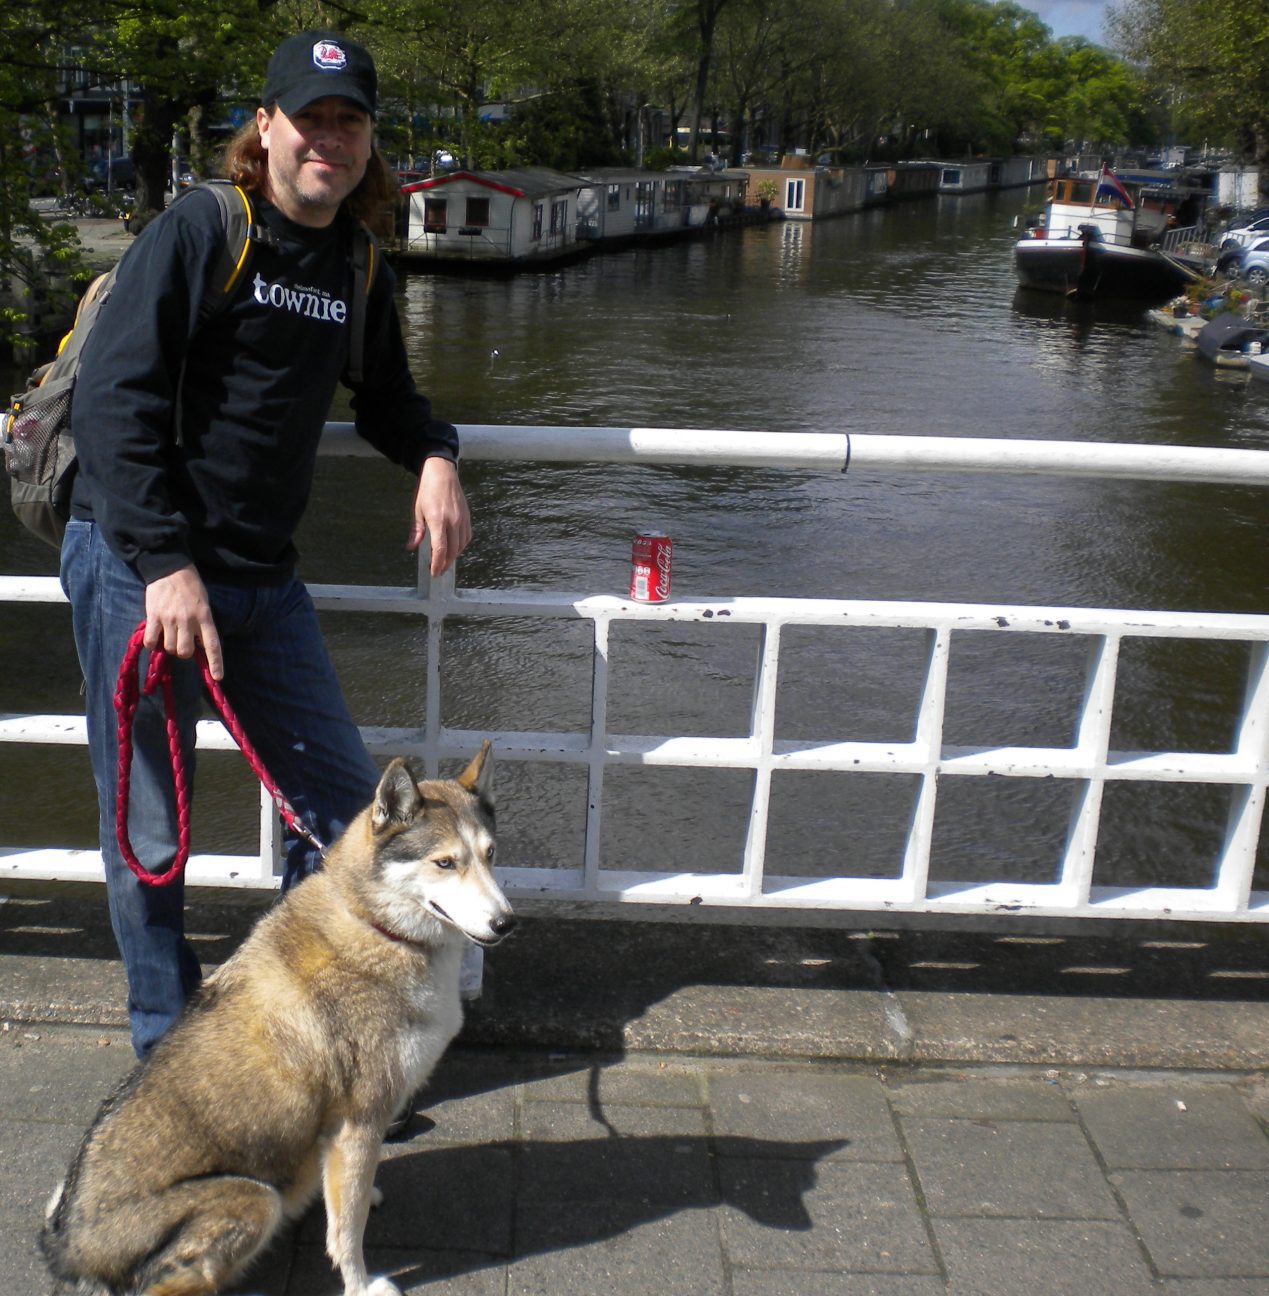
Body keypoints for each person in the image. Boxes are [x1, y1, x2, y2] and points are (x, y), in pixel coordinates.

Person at [60, 30, 471, 1060]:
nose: (329, 137)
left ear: (369, 144)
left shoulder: (356, 261)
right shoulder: (205, 229)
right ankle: (169, 1051)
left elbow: (385, 395)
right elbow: (115, 403)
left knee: (345, 818)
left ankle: (307, 1036)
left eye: (351, 121)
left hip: (259, 585)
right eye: (312, 117)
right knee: (149, 836)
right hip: (137, 568)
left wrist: (434, 455)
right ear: (267, 127)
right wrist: (163, 561)